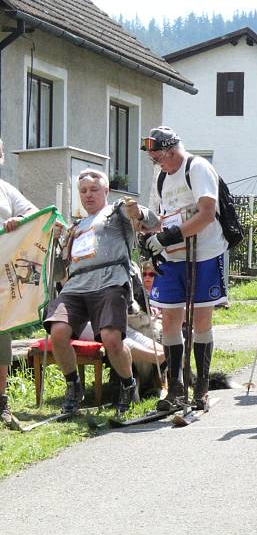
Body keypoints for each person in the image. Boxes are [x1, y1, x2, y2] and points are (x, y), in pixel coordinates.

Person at [45, 169, 159, 414]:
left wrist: (138, 212)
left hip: (110, 281)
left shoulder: (116, 211)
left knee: (111, 339)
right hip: (76, 286)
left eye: (94, 190)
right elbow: (56, 273)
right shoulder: (74, 227)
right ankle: (74, 385)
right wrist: (56, 242)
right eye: (83, 191)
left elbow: (152, 223)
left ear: (106, 191)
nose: (88, 195)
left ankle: (128, 384)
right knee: (58, 330)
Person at [142, 126, 228, 411]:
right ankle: (176, 387)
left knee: (201, 320)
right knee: (169, 320)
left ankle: (200, 388)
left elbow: (206, 213)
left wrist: (170, 235)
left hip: (204, 251)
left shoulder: (198, 167)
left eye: (158, 157)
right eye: (154, 159)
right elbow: (163, 218)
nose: (157, 163)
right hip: (175, 254)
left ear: (171, 149)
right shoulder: (162, 177)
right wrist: (150, 233)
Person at [0, 139, 38, 428]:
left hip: (2, 279)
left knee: (2, 341)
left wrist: (17, 220)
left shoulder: (6, 189)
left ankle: (1, 404)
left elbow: (33, 213)